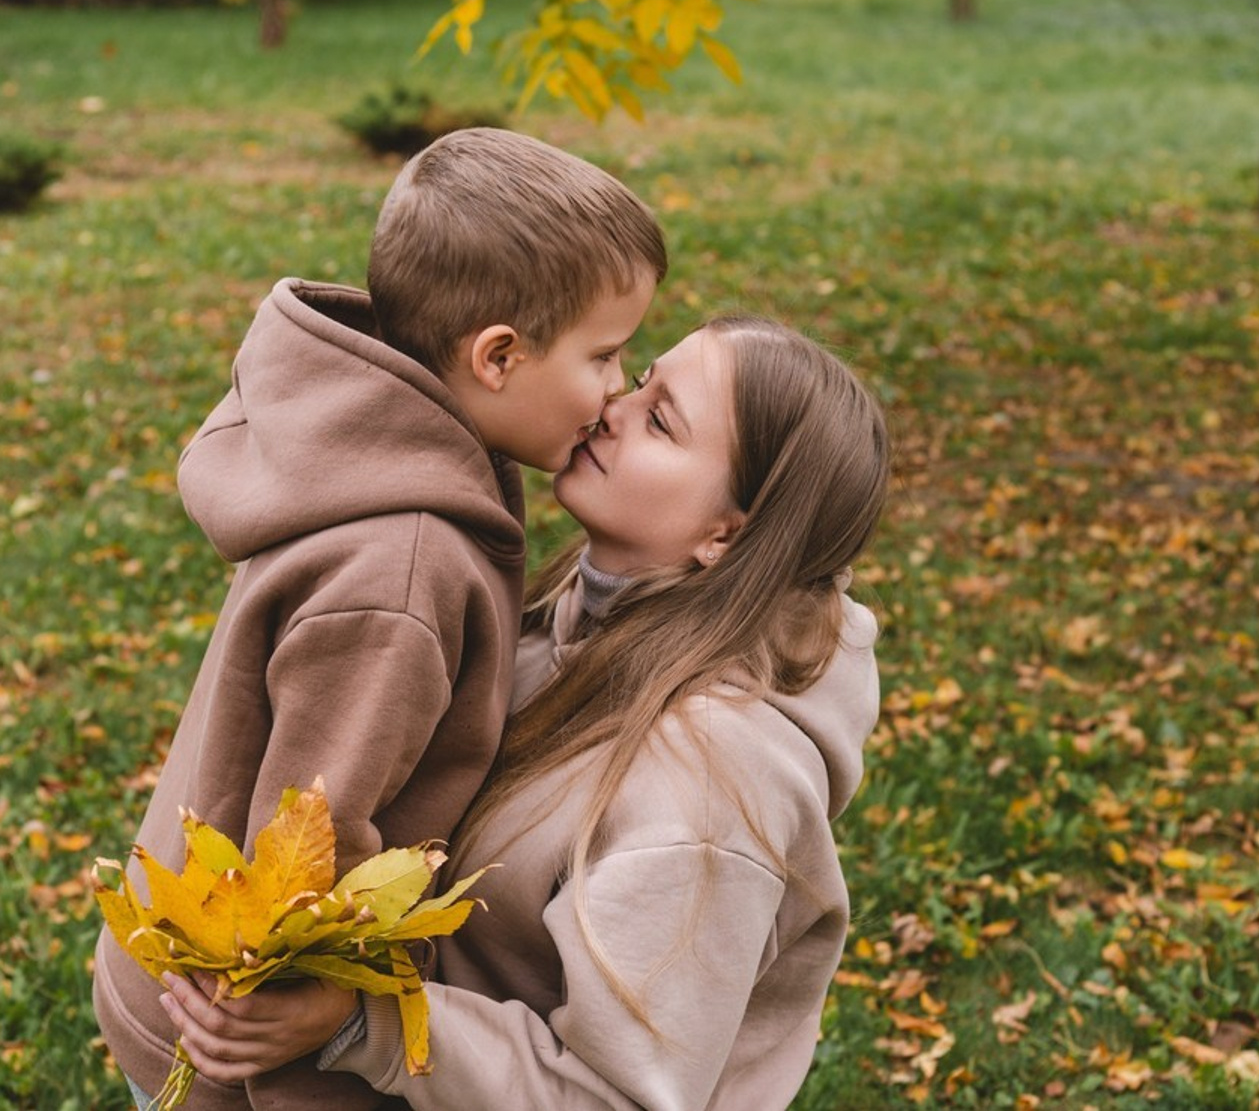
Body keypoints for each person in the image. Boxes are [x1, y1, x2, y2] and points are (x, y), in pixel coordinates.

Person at [158, 314, 891, 1110]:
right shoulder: (576, 612)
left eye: (661, 421)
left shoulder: (709, 793)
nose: (613, 401)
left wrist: (361, 1020)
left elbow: (614, 1097)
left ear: (725, 535)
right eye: (642, 376)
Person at [93, 128, 667, 1111]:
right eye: (604, 353)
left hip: (179, 978)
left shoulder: (385, 443)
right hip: (228, 1032)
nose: (619, 386)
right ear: (497, 356)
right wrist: (305, 1057)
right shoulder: (402, 567)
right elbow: (304, 844)